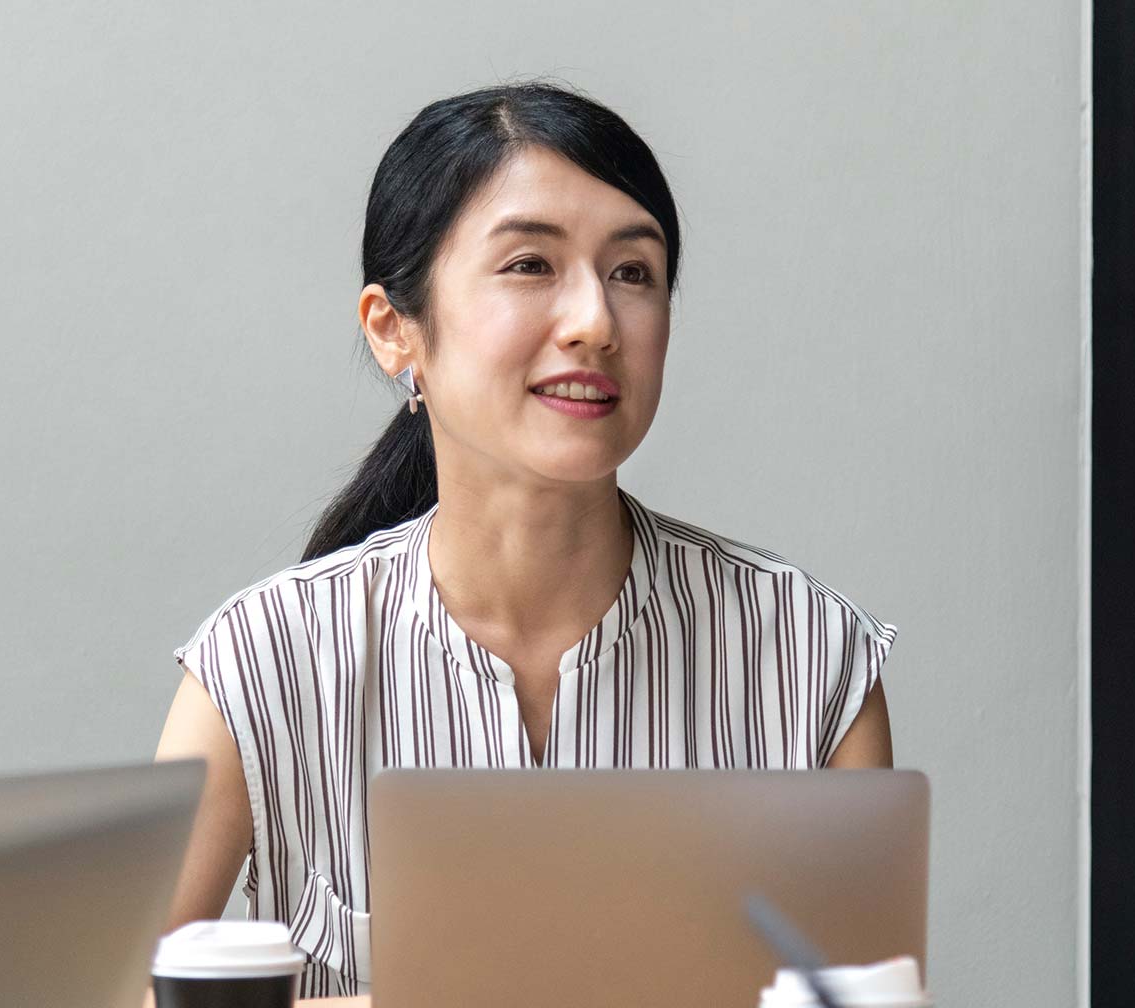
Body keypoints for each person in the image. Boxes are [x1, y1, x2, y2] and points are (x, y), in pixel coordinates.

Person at [154, 78, 896, 1002]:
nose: (595, 323)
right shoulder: (260, 662)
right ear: (394, 331)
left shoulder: (809, 656)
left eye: (633, 272)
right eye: (530, 265)